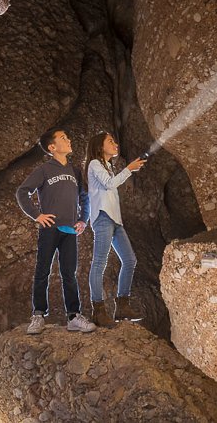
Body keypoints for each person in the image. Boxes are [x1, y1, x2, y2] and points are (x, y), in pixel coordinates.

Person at [15, 126, 96, 335]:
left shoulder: (75, 171)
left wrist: (83, 220)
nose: (68, 139)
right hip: (49, 229)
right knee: (43, 271)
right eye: (63, 137)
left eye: (67, 136)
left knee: (69, 273)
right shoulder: (44, 170)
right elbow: (22, 192)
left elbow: (84, 197)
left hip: (69, 230)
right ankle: (38, 315)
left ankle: (73, 317)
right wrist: (37, 215)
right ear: (52, 147)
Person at [84, 131, 146, 328]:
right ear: (100, 147)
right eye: (110, 141)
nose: (115, 144)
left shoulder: (108, 166)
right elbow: (109, 184)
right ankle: (98, 310)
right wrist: (129, 169)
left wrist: (127, 169)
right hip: (103, 218)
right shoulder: (94, 164)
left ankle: (122, 306)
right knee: (99, 263)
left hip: (115, 220)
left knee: (130, 260)